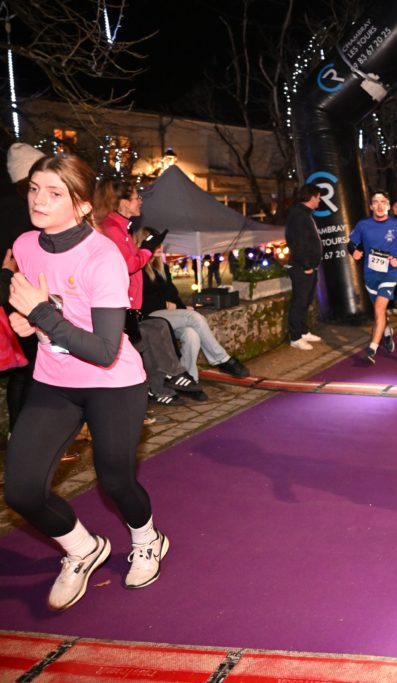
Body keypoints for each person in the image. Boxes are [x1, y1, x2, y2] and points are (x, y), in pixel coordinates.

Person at [5, 153, 170, 611]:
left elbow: (103, 350)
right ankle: (82, 548)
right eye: (34, 189)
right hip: (54, 380)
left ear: (81, 205)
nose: (38, 200)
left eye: (53, 193)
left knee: (115, 481)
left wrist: (40, 314)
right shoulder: (25, 245)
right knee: (21, 490)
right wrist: (28, 321)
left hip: (112, 383)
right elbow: (44, 303)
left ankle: (148, 539)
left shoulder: (103, 257)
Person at [94, 179, 200, 405]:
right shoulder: (112, 229)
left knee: (157, 328)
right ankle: (162, 383)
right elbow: (129, 264)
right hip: (117, 306)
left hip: (130, 305)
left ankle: (167, 379)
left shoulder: (121, 228)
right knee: (145, 337)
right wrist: (147, 249)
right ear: (123, 203)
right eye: (136, 197)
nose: (140, 201)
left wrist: (146, 248)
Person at [140, 232, 249, 381]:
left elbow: (173, 294)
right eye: (155, 244)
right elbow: (139, 300)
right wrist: (163, 304)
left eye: (160, 244)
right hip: (150, 317)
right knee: (195, 318)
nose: (160, 247)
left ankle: (189, 379)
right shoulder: (138, 269)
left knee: (192, 335)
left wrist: (182, 308)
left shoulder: (162, 268)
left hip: (168, 317)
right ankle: (222, 359)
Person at [1, 143, 46, 432]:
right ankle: (26, 431)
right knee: (31, 368)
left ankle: (19, 432)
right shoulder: (26, 210)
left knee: (23, 369)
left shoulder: (9, 206)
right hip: (21, 293)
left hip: (10, 292)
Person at [346, 190, 397, 365]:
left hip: (390, 273)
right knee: (378, 311)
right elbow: (351, 243)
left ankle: (371, 349)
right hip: (370, 274)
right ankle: (386, 332)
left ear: (388, 205)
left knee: (380, 309)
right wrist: (354, 252)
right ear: (371, 206)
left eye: (383, 202)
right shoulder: (363, 225)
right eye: (376, 202)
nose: (379, 205)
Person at [284, 184, 324, 351]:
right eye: (318, 197)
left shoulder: (305, 214)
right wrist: (306, 265)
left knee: (306, 300)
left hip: (309, 266)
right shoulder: (299, 215)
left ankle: (303, 331)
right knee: (299, 301)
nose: (320, 200)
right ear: (312, 197)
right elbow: (298, 243)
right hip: (302, 267)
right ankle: (295, 337)